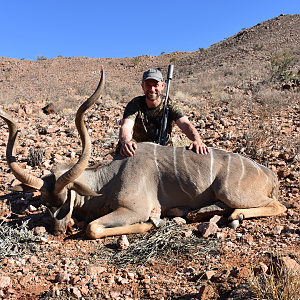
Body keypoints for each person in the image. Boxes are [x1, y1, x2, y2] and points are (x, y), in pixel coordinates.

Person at [119, 68, 209, 157]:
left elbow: (185, 123)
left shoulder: (170, 105)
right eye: (148, 85)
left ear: (162, 86)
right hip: (139, 150)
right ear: (143, 86)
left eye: (155, 85)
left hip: (164, 150)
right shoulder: (135, 104)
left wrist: (197, 140)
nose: (152, 89)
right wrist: (126, 141)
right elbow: (126, 126)